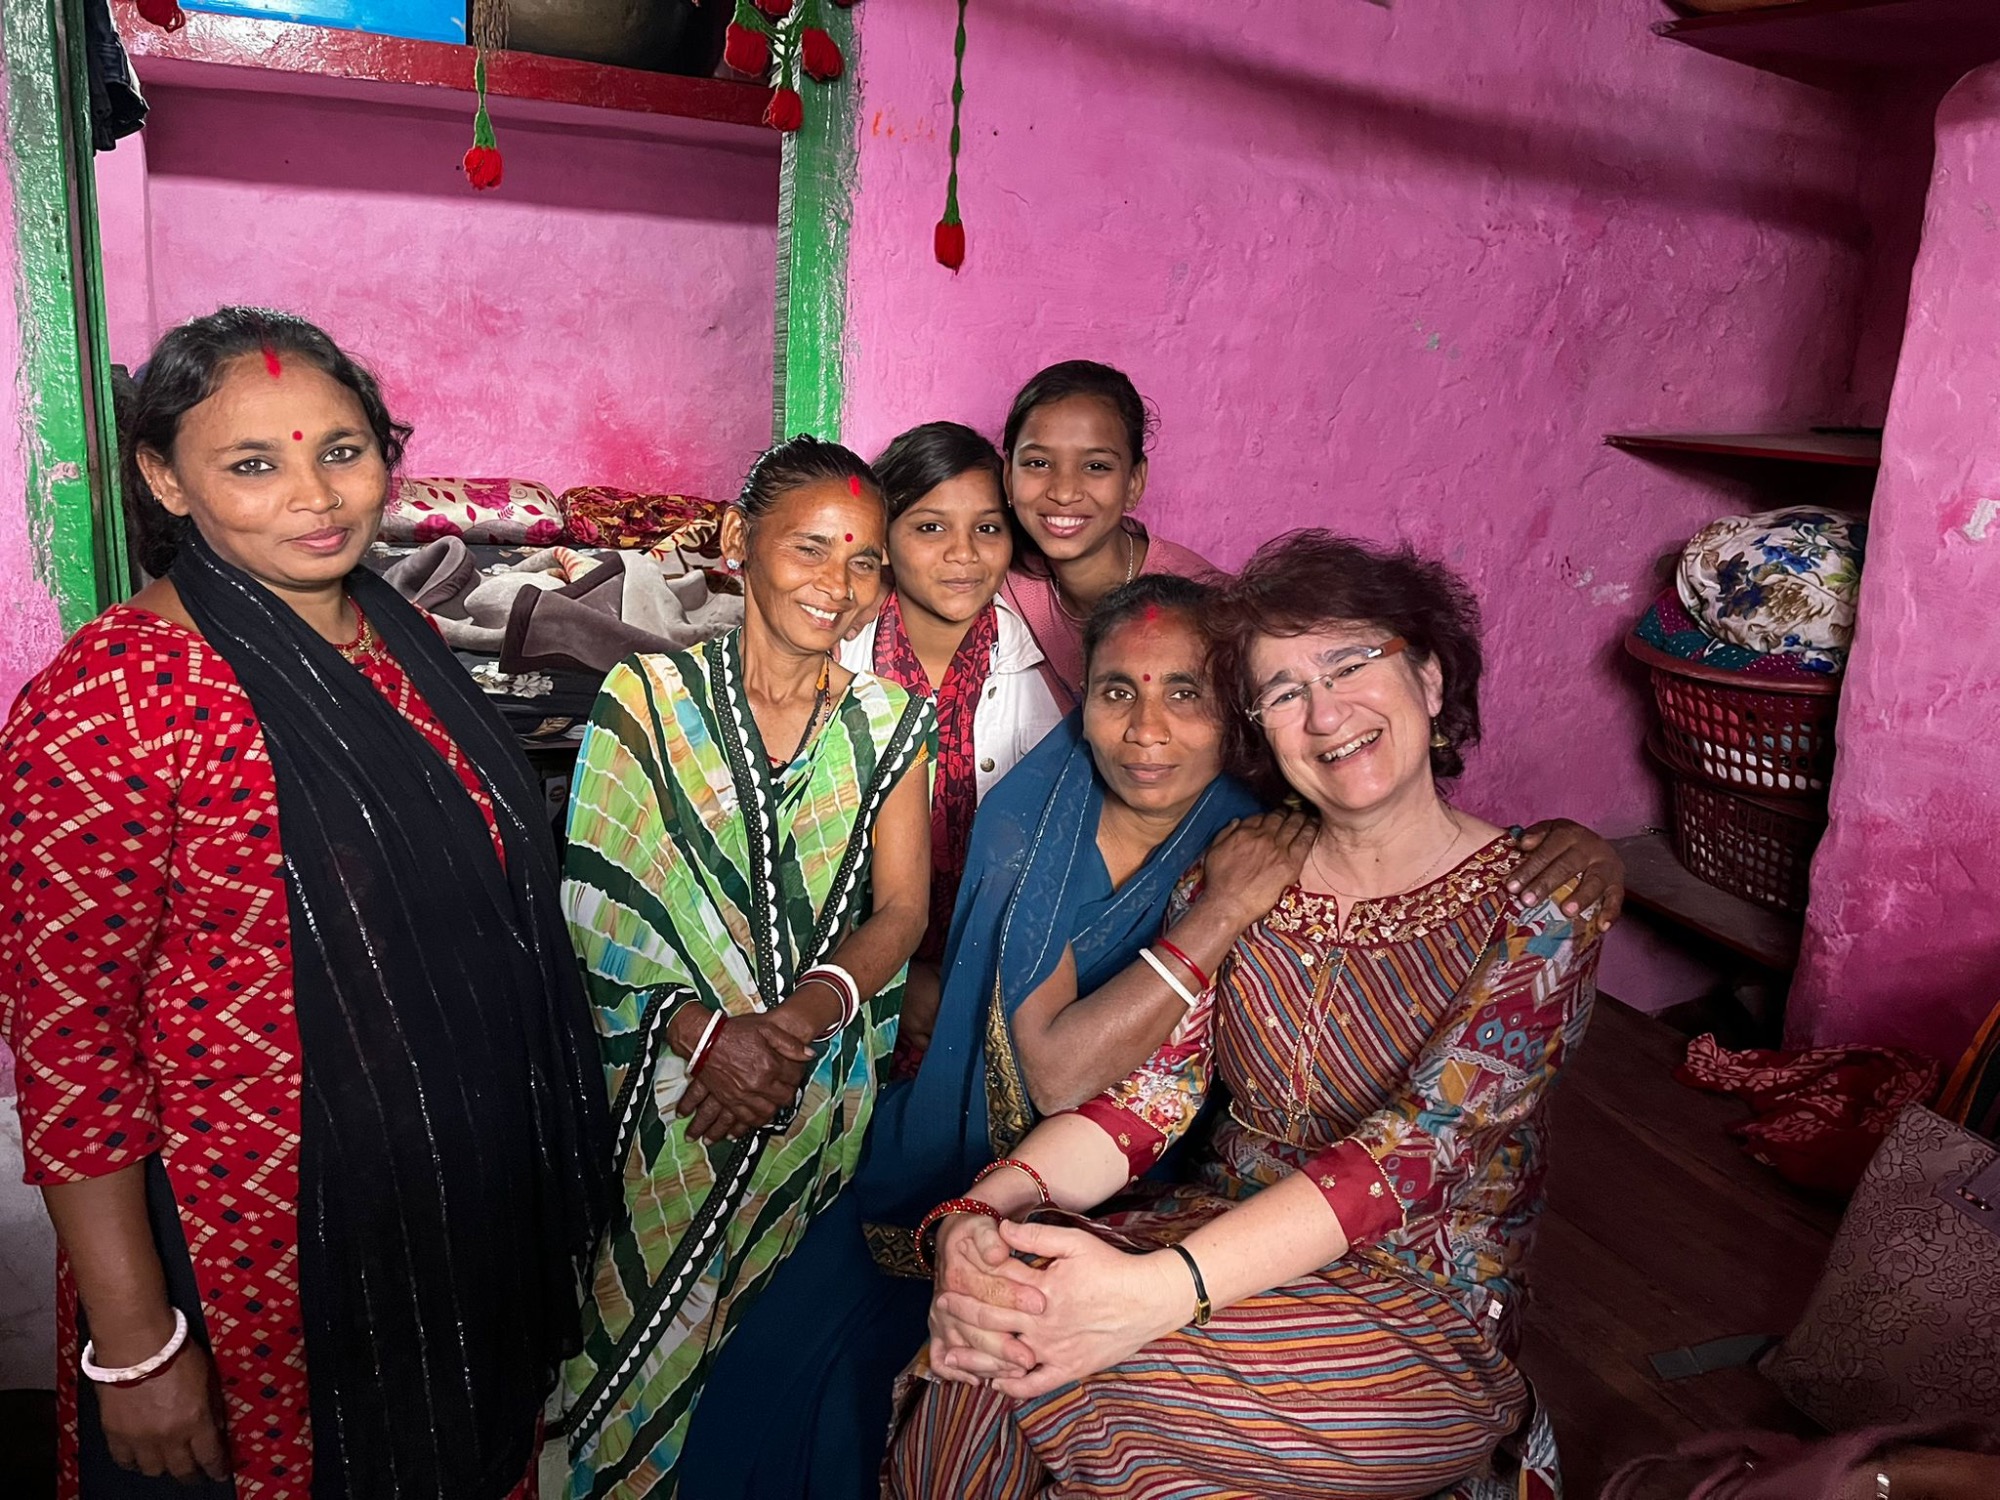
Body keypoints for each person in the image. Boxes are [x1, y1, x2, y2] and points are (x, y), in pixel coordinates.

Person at [680, 575, 1626, 1500]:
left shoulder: (1542, 902)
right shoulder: (1240, 875)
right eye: (1284, 690)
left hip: (1414, 1307)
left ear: (1429, 679)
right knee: (986, 1354)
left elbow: (1414, 1152)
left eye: (1350, 667)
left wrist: (1149, 1298)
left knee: (1031, 1365)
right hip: (1203, 1236)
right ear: (1260, 727)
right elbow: (1147, 1101)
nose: (1325, 712)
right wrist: (982, 1208)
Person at [0, 307, 613, 1498]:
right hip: (257, 1252)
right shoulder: (116, 697)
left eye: (342, 450)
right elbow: (72, 1048)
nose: (315, 497)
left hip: (451, 1216)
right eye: (251, 464)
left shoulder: (398, 634)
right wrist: (137, 1344)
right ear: (163, 479)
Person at [551, 436, 935, 1499]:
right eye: (811, 548)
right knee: (628, 1323)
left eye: (864, 562)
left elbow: (902, 910)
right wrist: (709, 1039)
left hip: (809, 1091)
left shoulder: (891, 724)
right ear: (737, 540)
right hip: (666, 1090)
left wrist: (787, 1031)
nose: (837, 584)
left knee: (769, 1362)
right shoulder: (645, 696)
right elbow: (596, 899)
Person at [838, 421, 1064, 1067]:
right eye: (930, 527)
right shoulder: (836, 660)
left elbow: (1048, 872)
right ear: (884, 539)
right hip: (852, 975)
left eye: (987, 528)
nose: (963, 553)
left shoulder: (1042, 672)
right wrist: (894, 976)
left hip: (994, 983)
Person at [997, 361, 1216, 705]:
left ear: (1134, 482)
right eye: (1038, 463)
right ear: (1009, 476)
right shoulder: (997, 571)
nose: (1064, 493)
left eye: (1096, 466)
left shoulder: (1205, 607)